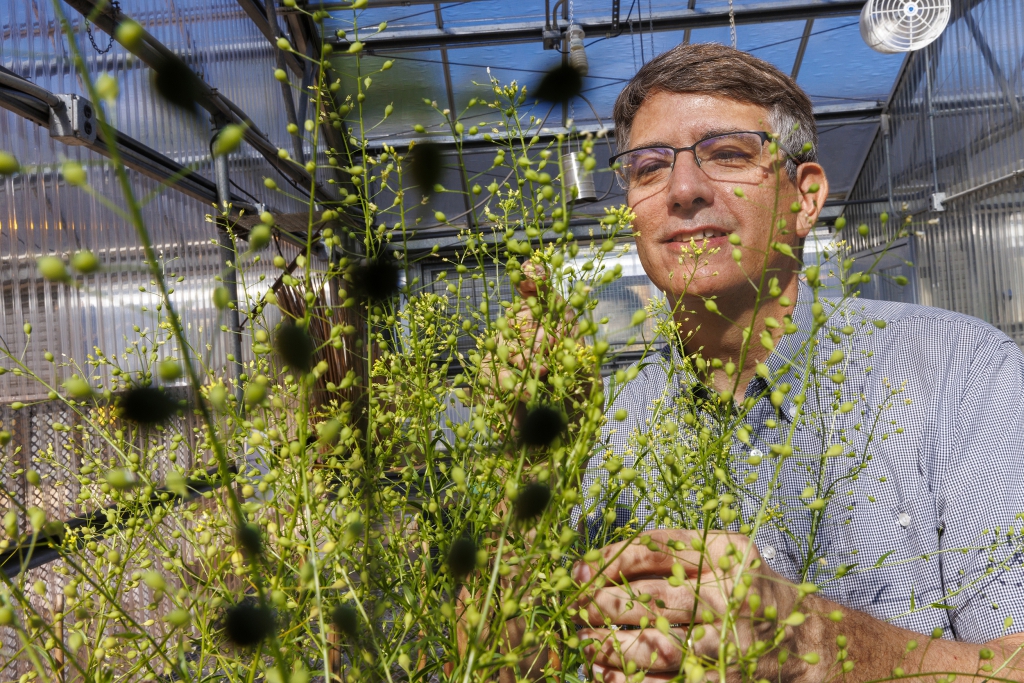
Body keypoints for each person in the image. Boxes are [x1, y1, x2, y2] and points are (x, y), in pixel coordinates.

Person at [505, 43, 1024, 683]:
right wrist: (526, 464)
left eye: (729, 154)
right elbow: (516, 668)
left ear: (805, 198)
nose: (684, 190)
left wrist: (813, 644)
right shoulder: (607, 426)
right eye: (649, 167)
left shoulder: (957, 370)